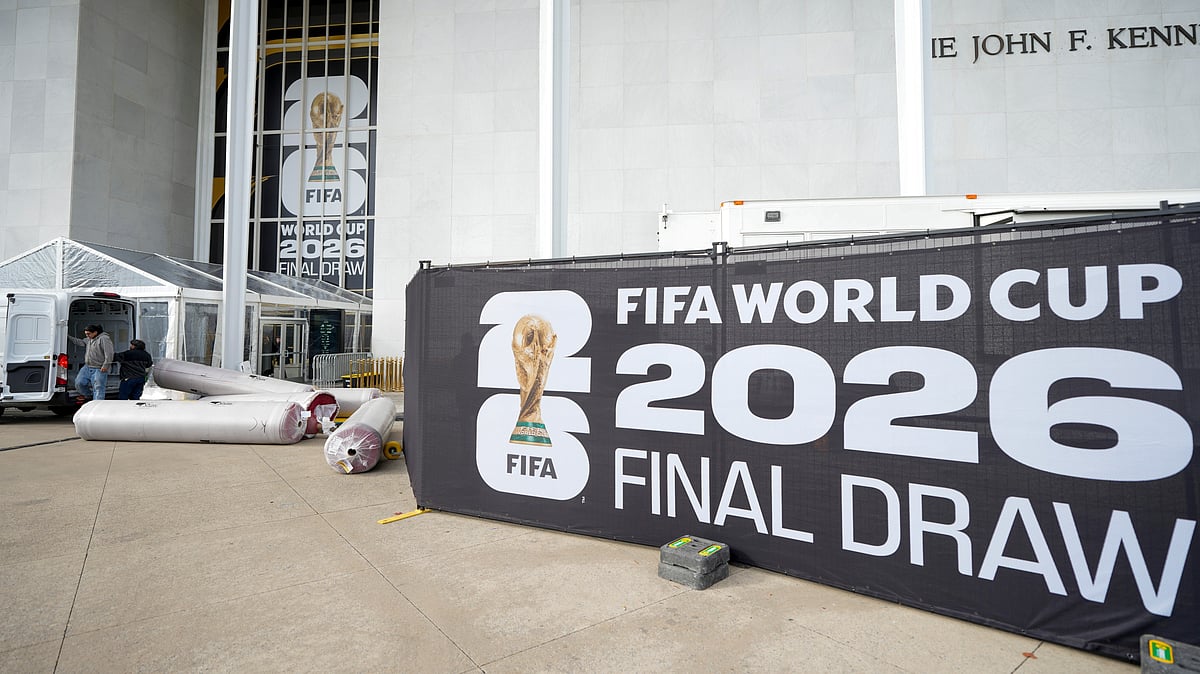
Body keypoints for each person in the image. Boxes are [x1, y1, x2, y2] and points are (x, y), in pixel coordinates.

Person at [67, 324, 114, 403]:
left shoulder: (104, 339)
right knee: (79, 383)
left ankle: (97, 404)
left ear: (95, 332)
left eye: (88, 334)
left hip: (99, 368)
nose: (87, 336)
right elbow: (80, 342)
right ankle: (88, 395)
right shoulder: (89, 339)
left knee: (98, 387)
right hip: (87, 366)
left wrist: (106, 365)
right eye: (86, 334)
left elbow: (109, 353)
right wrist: (68, 336)